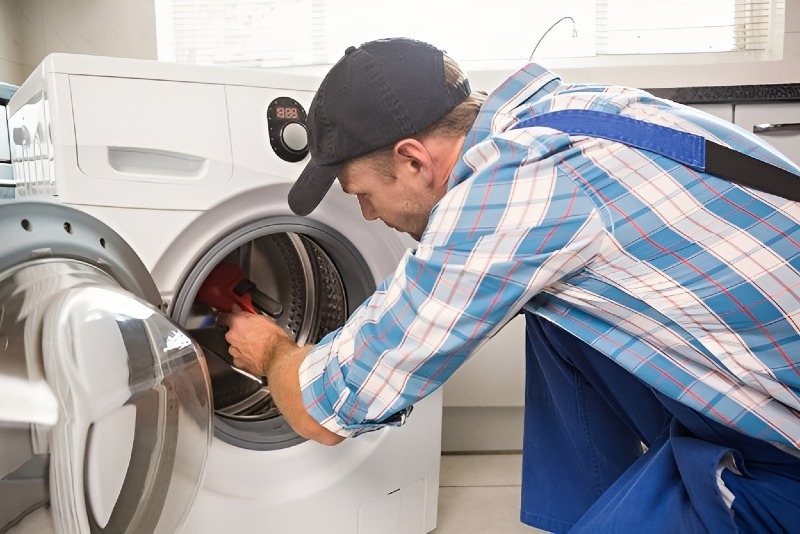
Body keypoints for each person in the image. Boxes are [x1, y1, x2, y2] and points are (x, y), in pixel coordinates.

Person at [217, 37, 800, 532]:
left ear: (414, 160)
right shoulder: (568, 114)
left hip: (784, 456)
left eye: (362, 194)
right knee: (554, 310)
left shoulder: (513, 190)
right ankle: (597, 511)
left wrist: (272, 351)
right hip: (764, 381)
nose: (367, 216)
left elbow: (327, 409)